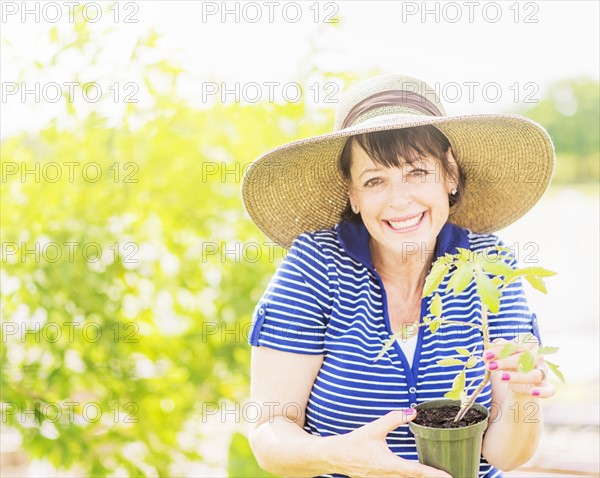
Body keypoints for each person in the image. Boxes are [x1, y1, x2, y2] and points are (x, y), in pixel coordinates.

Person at [241, 74, 556, 477]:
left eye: (417, 172)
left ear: (450, 175)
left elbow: (507, 457)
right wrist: (340, 456)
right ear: (352, 194)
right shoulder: (316, 264)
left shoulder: (488, 262)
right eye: (375, 180)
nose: (399, 200)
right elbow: (270, 433)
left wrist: (521, 395)